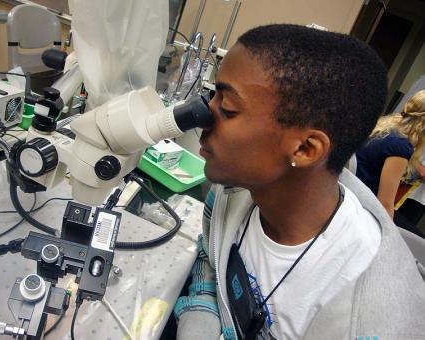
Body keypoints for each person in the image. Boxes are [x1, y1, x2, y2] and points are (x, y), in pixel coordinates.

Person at [174, 24, 425, 340]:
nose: (202, 115)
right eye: (213, 96)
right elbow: (211, 263)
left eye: (228, 108)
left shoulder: (374, 321)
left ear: (306, 149)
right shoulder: (232, 194)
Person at [355, 90, 425, 219]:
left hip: (349, 194)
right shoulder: (401, 147)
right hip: (360, 208)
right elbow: (385, 205)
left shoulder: (383, 128)